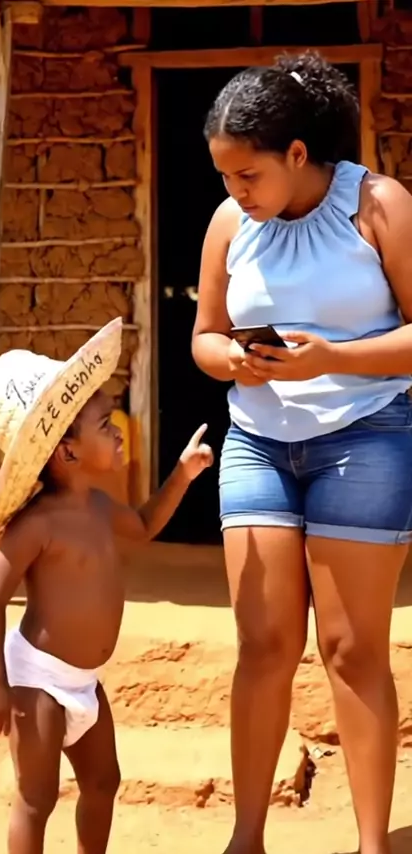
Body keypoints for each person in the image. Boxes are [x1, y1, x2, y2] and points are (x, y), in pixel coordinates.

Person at [192, 51, 412, 854]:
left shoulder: (380, 206)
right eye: (224, 176)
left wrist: (333, 359)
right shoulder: (229, 224)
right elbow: (204, 336)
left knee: (351, 649)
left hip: (366, 435)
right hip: (257, 442)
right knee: (263, 644)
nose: (235, 192)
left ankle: (371, 845)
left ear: (296, 152)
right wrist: (230, 359)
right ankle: (245, 839)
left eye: (247, 174)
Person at [0, 317, 213, 854]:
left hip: (84, 681)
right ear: (68, 452)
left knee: (104, 782)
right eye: (105, 424)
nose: (118, 430)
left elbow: (145, 525)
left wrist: (181, 474)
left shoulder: (102, 507)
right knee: (36, 798)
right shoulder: (37, 525)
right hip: (37, 679)